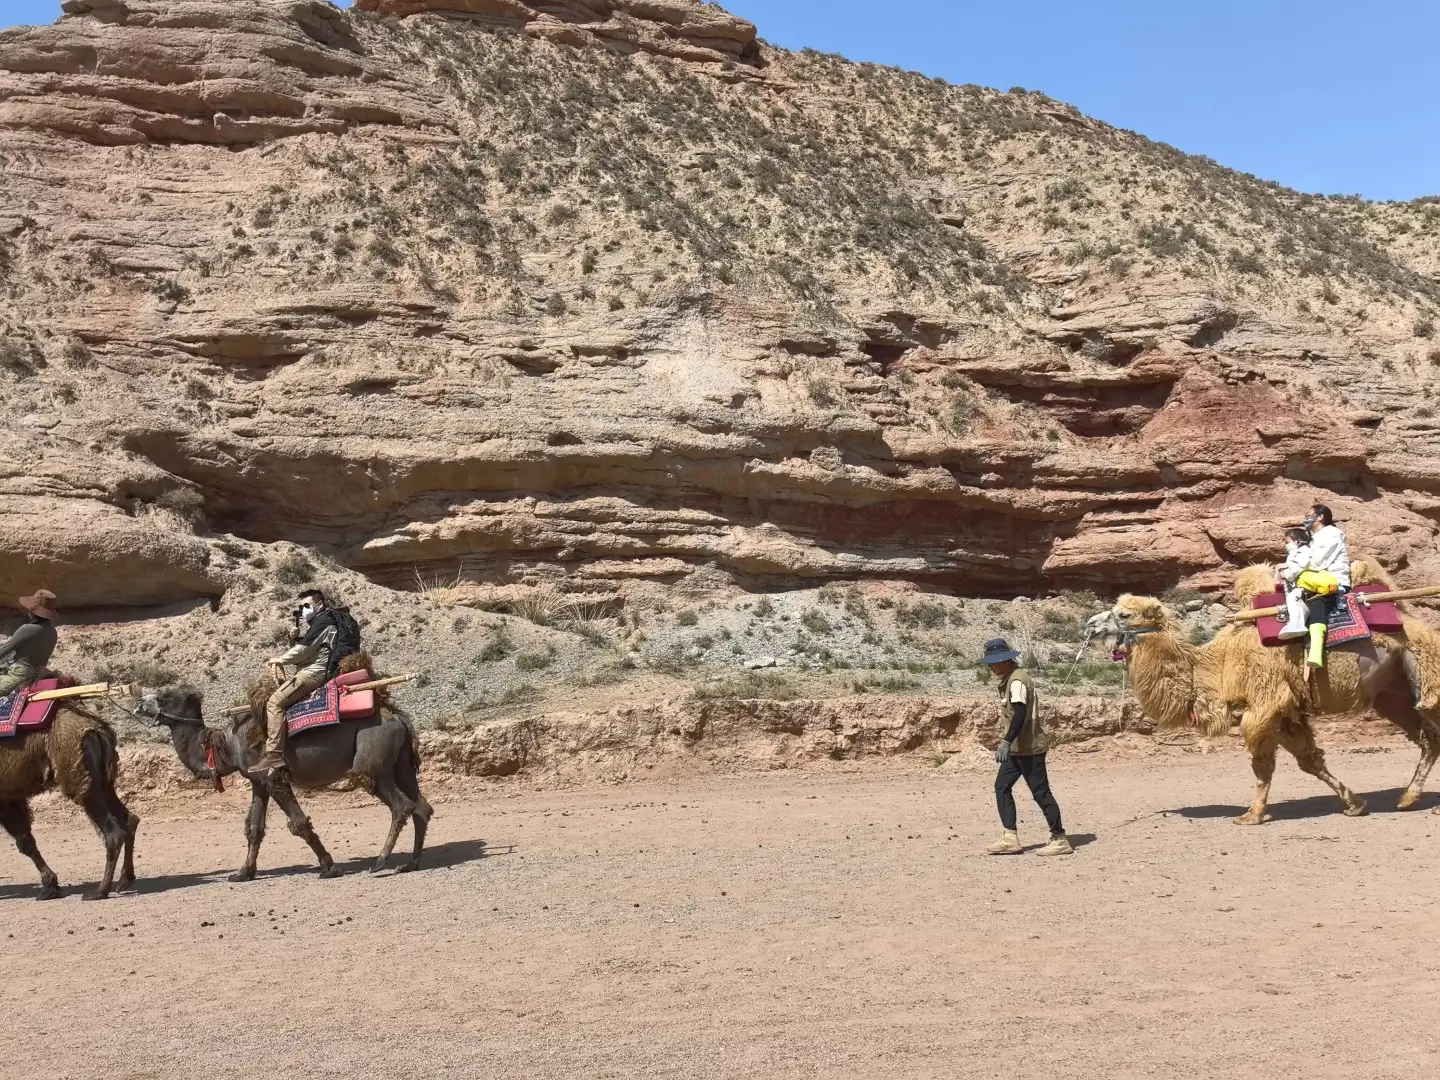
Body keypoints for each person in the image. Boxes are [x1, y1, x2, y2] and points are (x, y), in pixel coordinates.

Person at [251, 588, 362, 776]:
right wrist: (293, 639)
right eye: (301, 607)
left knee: (274, 702)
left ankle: (274, 754)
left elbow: (305, 650)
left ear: (319, 604)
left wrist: (281, 659)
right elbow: (310, 646)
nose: (303, 611)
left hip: (313, 673)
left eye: (306, 606)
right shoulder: (323, 621)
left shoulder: (323, 620)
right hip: (315, 669)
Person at [981, 637, 1072, 857]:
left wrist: (1005, 742)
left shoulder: (1017, 681)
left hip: (1029, 748)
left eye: (993, 662)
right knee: (1001, 787)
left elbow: (1020, 713)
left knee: (1040, 793)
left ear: (1004, 661)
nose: (990, 666)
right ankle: (1010, 837)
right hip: (1016, 749)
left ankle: (1059, 838)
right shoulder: (1010, 678)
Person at [1282, 504, 1350, 668]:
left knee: (1317, 603)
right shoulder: (1313, 538)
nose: (1306, 518)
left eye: (1309, 514)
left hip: (1332, 581)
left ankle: (1315, 652)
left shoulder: (1332, 535)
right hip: (1314, 580)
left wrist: (1294, 565)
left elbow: (1318, 562)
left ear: (1320, 517)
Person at [0, 590, 59, 696]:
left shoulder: (28, 629)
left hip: (20, 674)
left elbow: (5, 650)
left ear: (32, 611)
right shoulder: (53, 631)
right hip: (39, 673)